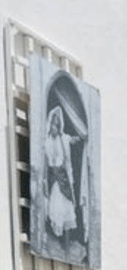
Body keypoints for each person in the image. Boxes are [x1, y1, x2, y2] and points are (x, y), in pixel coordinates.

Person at [43, 105, 83, 256]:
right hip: (53, 179)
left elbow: (73, 140)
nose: (55, 127)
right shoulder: (46, 142)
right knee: (54, 209)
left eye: (57, 125)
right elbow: (46, 163)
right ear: (50, 125)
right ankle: (56, 241)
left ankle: (66, 246)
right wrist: (46, 182)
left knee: (66, 210)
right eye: (53, 124)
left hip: (63, 180)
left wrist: (82, 136)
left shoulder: (64, 138)